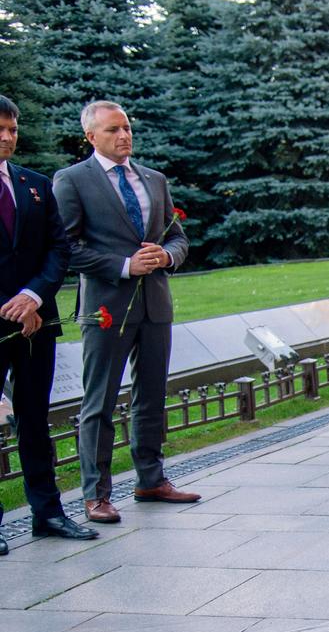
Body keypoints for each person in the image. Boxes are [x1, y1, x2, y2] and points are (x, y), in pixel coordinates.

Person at [52, 101, 198, 525]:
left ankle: (150, 479)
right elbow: (67, 247)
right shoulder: (73, 180)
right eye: (113, 130)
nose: (124, 136)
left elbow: (178, 238)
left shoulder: (154, 180)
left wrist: (166, 256)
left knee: (151, 395)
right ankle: (96, 494)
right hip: (106, 308)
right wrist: (123, 265)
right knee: (99, 400)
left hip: (155, 304)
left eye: (128, 128)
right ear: (91, 137)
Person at [0, 96, 99, 553]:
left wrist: (34, 297)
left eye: (13, 129)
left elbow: (58, 249)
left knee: (35, 418)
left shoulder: (35, 185)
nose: (7, 137)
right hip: (4, 320)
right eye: (0, 129)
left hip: (37, 322)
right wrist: (12, 304)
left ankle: (49, 513)